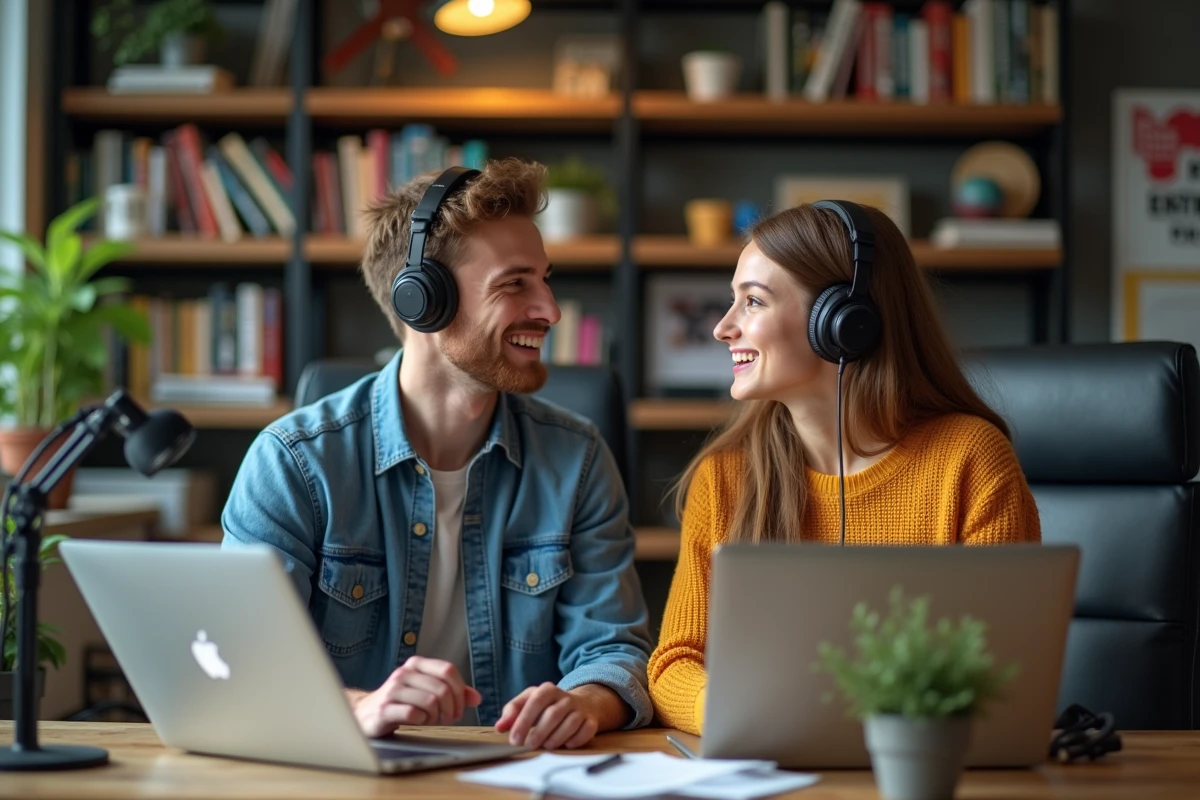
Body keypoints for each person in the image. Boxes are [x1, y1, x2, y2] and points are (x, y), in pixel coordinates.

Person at [221, 158, 653, 751]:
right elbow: (240, 663)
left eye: (546, 280)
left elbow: (612, 649)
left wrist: (582, 701)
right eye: (514, 283)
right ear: (422, 301)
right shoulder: (293, 463)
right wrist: (360, 708)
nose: (550, 310)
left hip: (517, 778)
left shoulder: (577, 460)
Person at [646, 200, 1041, 736]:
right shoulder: (725, 478)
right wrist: (738, 710)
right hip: (770, 768)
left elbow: (1006, 670)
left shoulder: (970, 460)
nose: (723, 328)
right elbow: (674, 662)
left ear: (842, 322)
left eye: (753, 302)